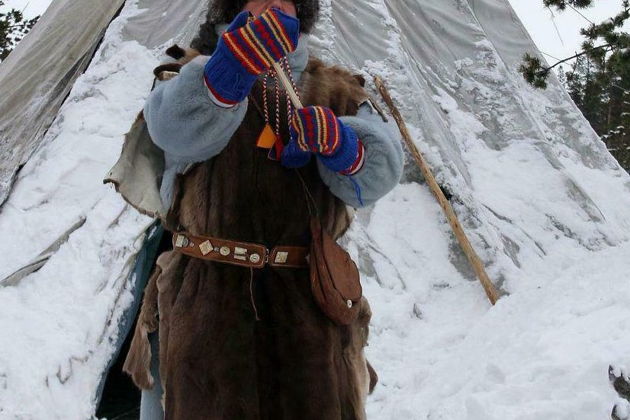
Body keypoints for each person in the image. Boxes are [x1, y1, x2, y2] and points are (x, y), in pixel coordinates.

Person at [122, 0, 403, 418]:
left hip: (308, 307)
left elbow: (380, 177)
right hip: (206, 302)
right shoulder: (189, 75)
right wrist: (225, 75)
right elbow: (172, 133)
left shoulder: (341, 91)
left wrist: (341, 144)